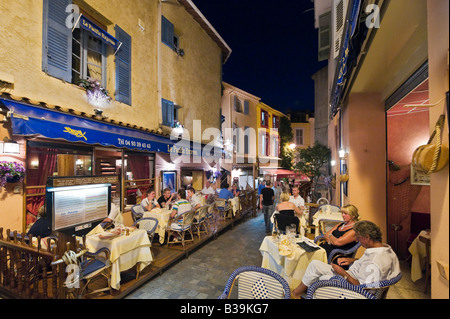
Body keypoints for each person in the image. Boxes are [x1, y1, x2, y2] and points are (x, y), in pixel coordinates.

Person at [291, 220, 401, 299]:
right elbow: (370, 269)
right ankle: (299, 292)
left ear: (367, 237)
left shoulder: (375, 261)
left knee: (322, 277)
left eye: (359, 237)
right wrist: (353, 260)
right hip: (354, 275)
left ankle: (299, 293)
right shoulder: (387, 249)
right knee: (315, 265)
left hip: (357, 291)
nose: (357, 240)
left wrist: (343, 273)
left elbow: (361, 286)